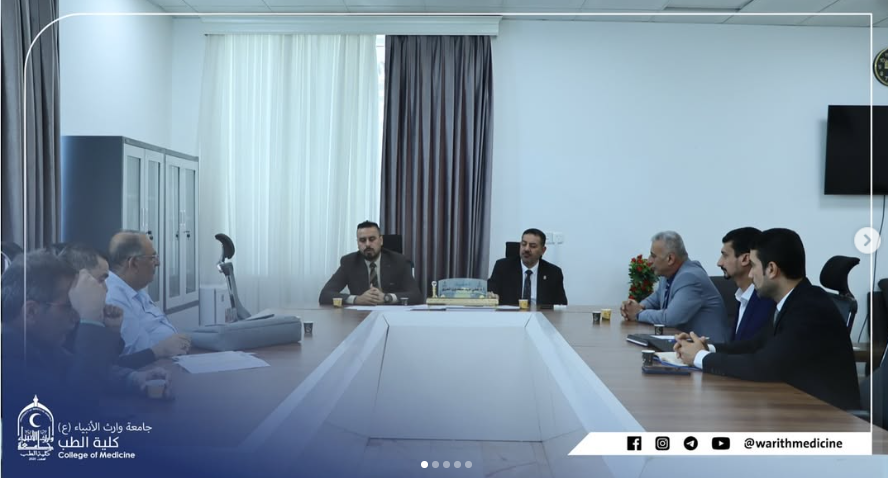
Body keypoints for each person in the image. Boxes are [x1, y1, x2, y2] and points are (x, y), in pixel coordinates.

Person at [675, 228, 860, 410]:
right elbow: (755, 344)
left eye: (754, 266)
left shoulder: (810, 309)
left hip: (829, 417)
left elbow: (763, 365)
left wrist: (700, 357)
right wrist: (707, 348)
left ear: (771, 269)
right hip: (800, 406)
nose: (750, 274)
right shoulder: (795, 300)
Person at [0, 251, 171, 412]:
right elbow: (77, 408)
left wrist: (133, 379)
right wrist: (90, 317)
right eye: (69, 306)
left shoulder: (40, 344)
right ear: (31, 312)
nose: (75, 317)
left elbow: (80, 370)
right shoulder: (8, 360)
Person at [54, 243, 188, 368]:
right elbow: (86, 379)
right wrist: (158, 351)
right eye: (101, 280)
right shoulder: (59, 324)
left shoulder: (93, 316)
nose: (106, 288)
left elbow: (109, 367)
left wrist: (113, 331)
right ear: (79, 281)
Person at [621, 231, 730, 342]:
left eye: (653, 256)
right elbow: (657, 297)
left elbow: (670, 318)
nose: (649, 260)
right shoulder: (668, 274)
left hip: (710, 347)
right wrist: (638, 306)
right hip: (687, 344)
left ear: (670, 259)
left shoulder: (690, 277)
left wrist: (638, 314)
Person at [105, 231, 190, 355]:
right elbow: (141, 351)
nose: (158, 263)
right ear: (134, 263)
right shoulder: (114, 297)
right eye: (152, 258)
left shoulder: (136, 289)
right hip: (156, 364)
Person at [319, 221, 422, 305]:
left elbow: (416, 295)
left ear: (381, 240)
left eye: (372, 239)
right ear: (358, 243)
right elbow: (325, 295)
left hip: (391, 315)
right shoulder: (349, 262)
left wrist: (387, 298)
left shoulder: (398, 261)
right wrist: (357, 299)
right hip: (360, 317)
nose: (367, 244)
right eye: (362, 240)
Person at [717, 228, 775, 341]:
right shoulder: (743, 297)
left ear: (745, 259)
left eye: (725, 255)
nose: (719, 263)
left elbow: (753, 347)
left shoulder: (766, 301)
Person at [487, 228, 567, 306]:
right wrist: (492, 297)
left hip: (541, 314)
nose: (527, 249)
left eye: (533, 246)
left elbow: (562, 304)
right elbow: (491, 292)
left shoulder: (554, 273)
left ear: (543, 250)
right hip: (510, 314)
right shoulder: (502, 267)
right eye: (524, 244)